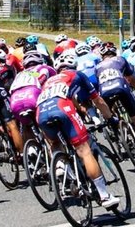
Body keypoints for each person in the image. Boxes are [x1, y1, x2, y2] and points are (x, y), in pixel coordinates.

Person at [36, 53, 120, 208]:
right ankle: (104, 195)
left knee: (54, 144)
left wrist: (81, 111)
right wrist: (110, 118)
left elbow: (72, 101)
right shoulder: (76, 74)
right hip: (61, 108)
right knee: (84, 150)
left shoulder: (48, 81)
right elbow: (98, 100)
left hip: (41, 112)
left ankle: (60, 165)